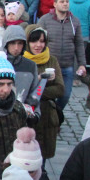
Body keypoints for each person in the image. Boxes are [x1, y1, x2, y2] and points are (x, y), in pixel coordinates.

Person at [23, 25, 65, 159]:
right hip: (27, 114)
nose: (38, 45)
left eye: (42, 41)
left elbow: (60, 89)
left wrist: (37, 93)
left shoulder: (51, 60)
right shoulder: (22, 60)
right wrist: (39, 83)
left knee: (42, 157)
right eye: (34, 41)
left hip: (47, 116)